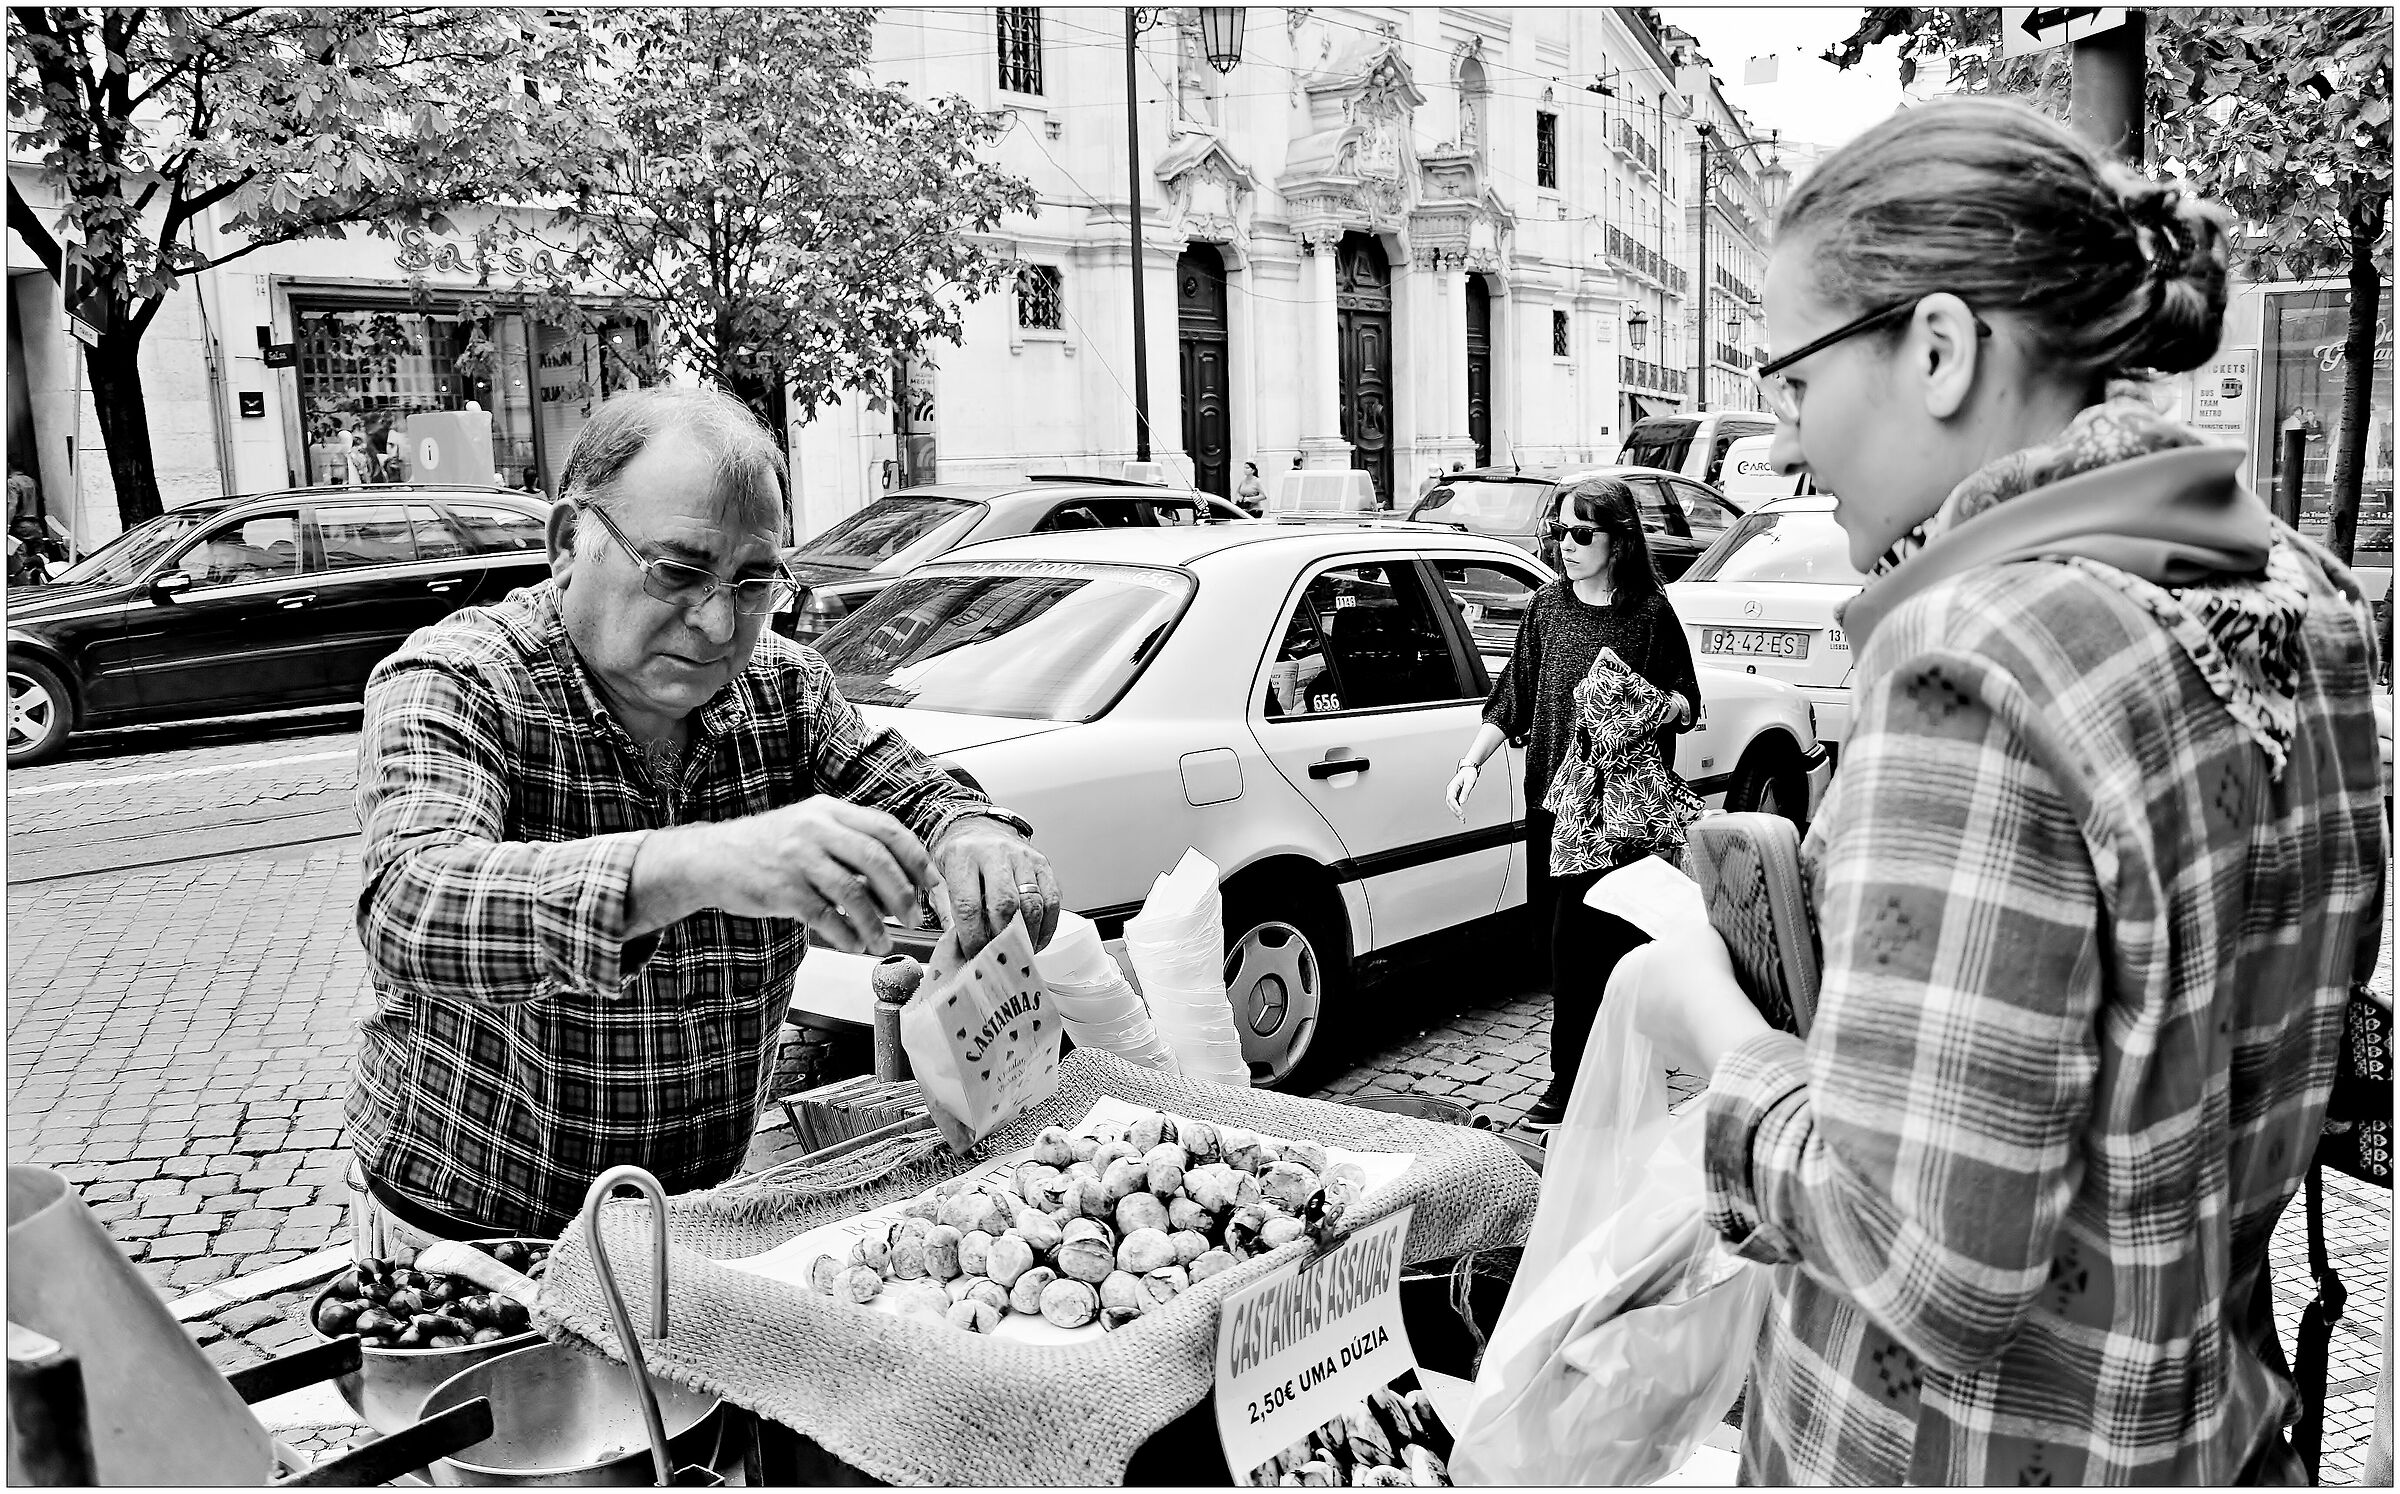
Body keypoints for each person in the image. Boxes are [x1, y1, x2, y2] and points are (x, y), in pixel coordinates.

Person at [1632, 98, 2386, 1483]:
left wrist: (1706, 1018)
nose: (1783, 442)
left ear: (1937, 348)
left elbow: (1926, 1261)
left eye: (1792, 380)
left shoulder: (1971, 660)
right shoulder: (2309, 598)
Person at [346, 385, 1062, 1251]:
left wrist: (971, 834)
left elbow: (915, 789)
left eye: (753, 582)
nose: (720, 622)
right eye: (680, 572)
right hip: (475, 1230)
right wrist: (702, 864)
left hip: (700, 1219)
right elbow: (411, 906)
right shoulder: (459, 680)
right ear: (568, 544)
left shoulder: (784, 688)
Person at [1446, 475, 1699, 1128]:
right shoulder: (1547, 606)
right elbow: (1514, 693)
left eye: (1583, 533)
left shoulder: (1649, 612)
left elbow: (1687, 698)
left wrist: (1657, 706)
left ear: (1619, 540)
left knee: (1586, 949)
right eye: (1560, 530)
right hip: (1551, 808)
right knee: (1555, 950)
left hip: (1618, 816)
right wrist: (1471, 762)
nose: (1567, 544)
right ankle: (1603, 1075)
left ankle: (1571, 1084)